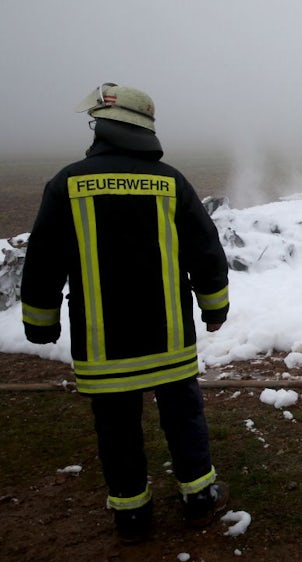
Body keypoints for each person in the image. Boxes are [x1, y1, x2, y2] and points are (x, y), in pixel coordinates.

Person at [20, 83, 231, 544]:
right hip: (170, 342)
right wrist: (216, 308)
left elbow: (42, 261)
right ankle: (199, 501)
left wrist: (40, 323)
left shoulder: (67, 184)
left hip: (104, 346)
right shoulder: (170, 182)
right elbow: (206, 251)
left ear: (104, 127)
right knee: (184, 417)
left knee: (116, 429)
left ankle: (132, 517)